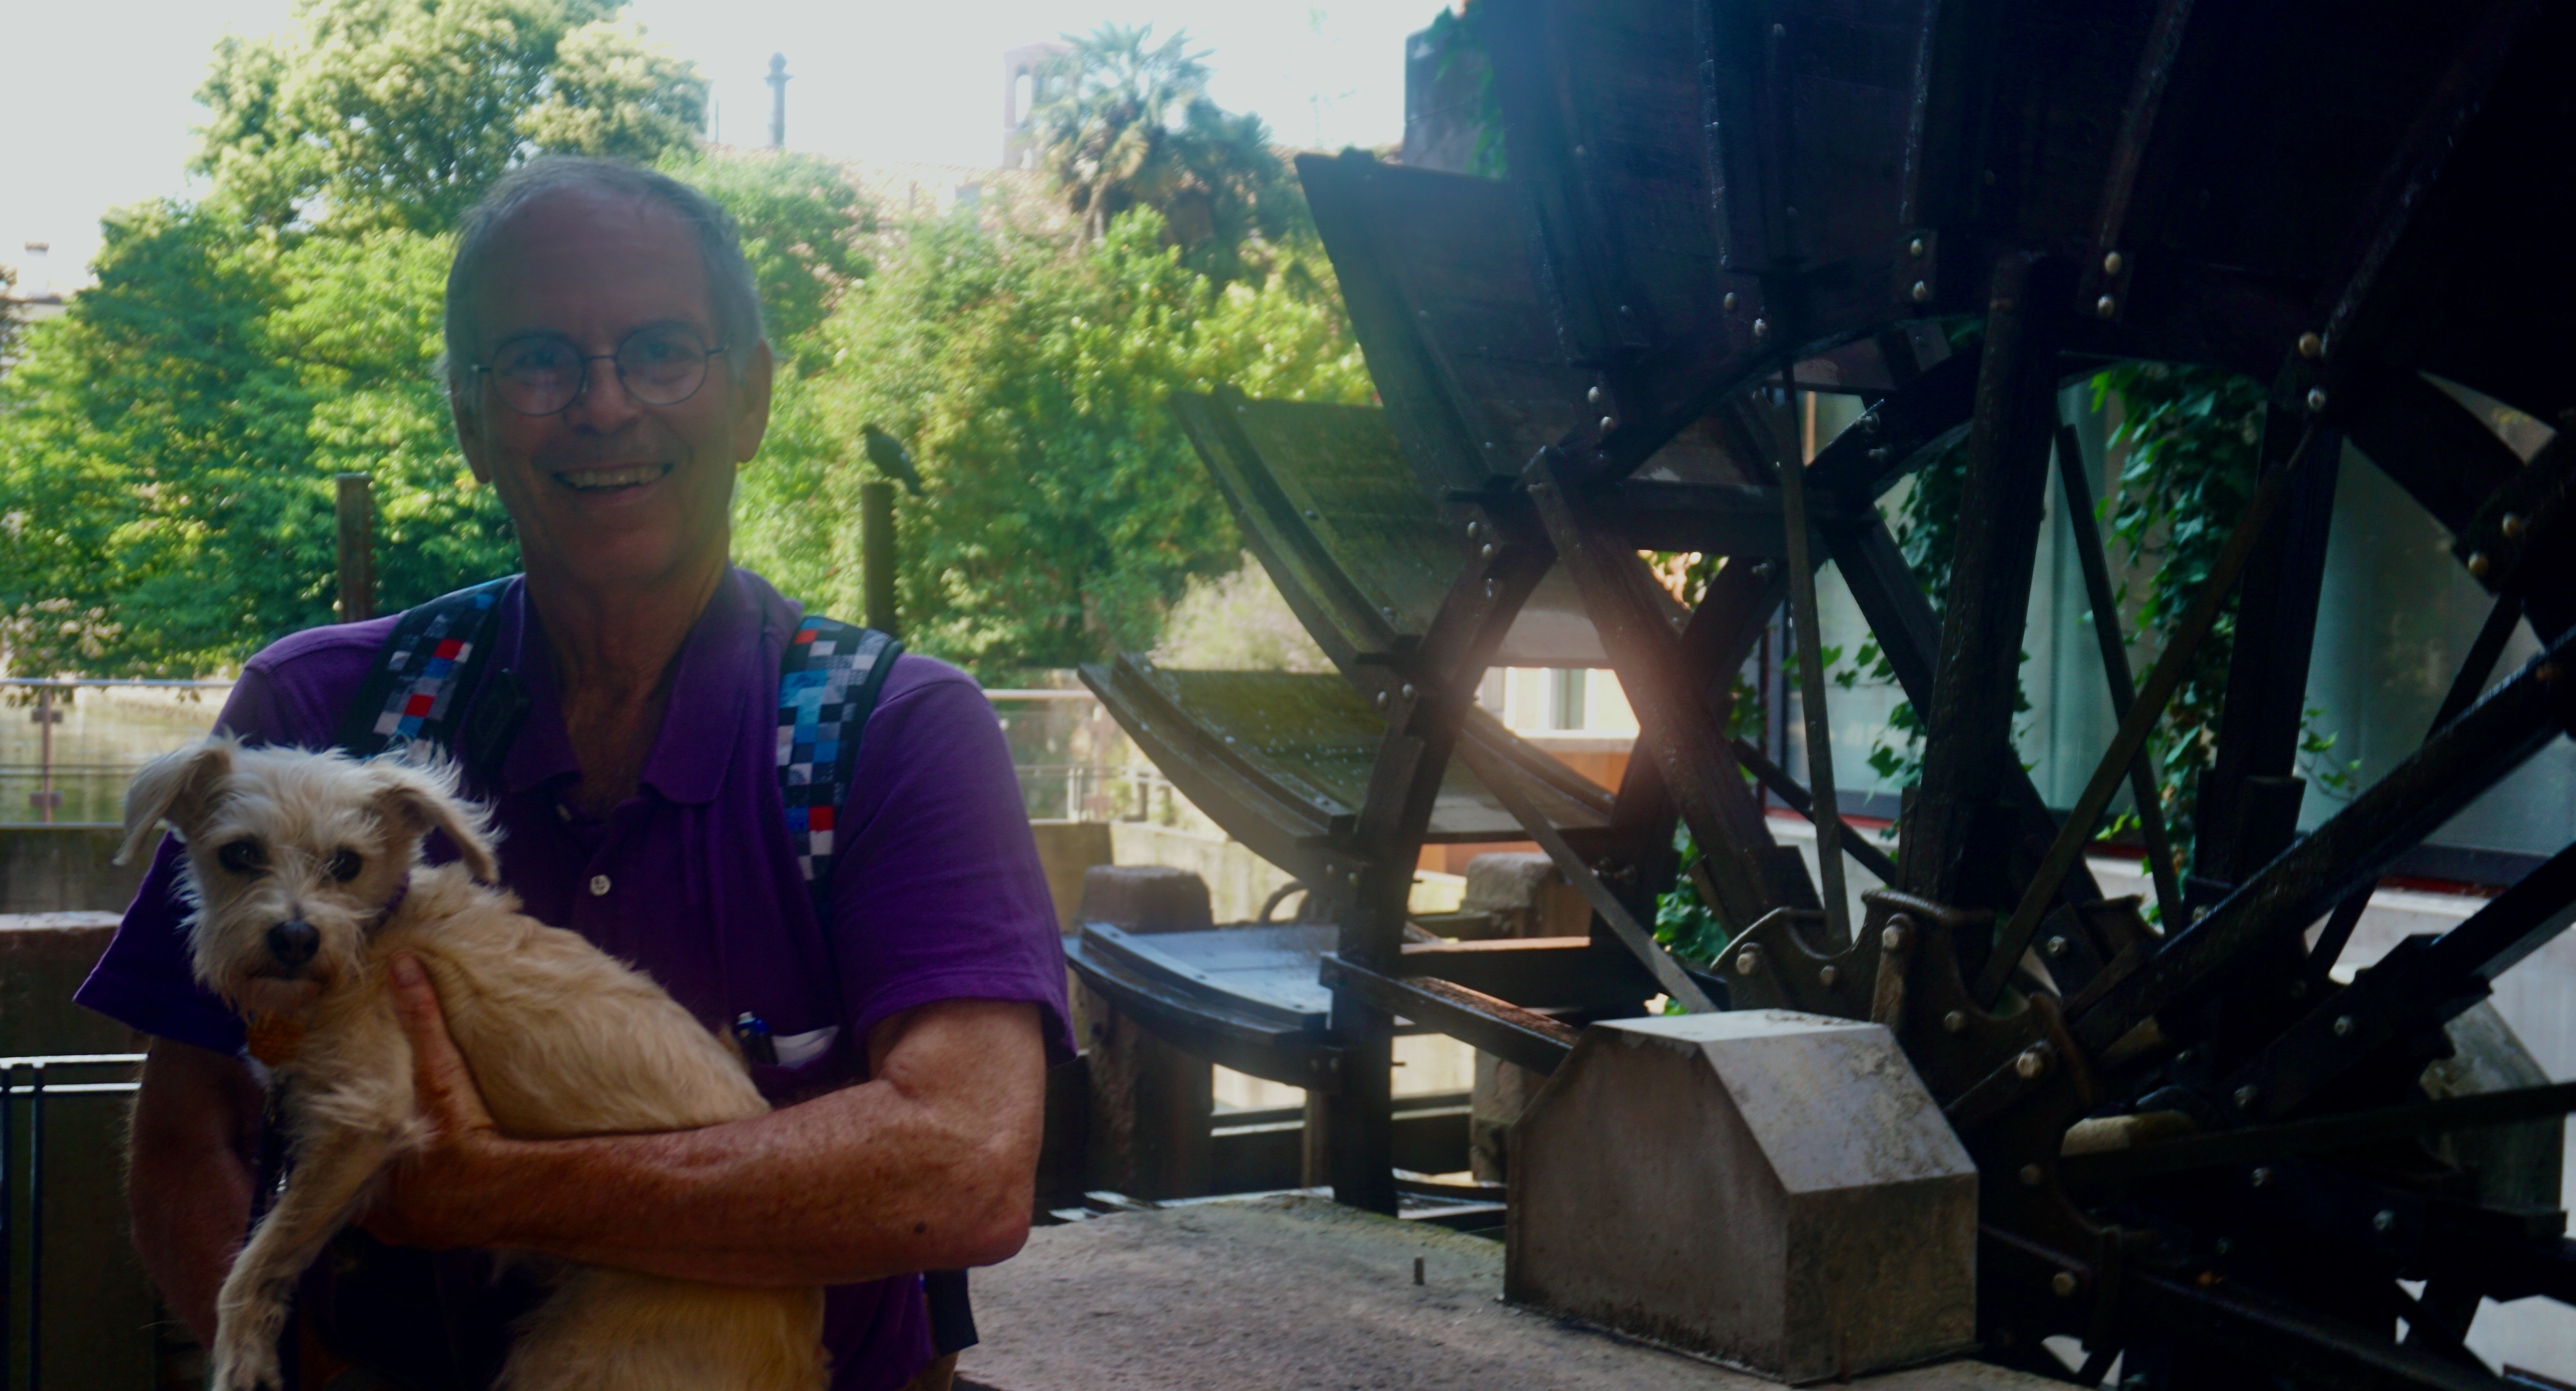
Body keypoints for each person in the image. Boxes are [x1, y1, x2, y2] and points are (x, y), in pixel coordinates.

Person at [78, 156, 1071, 1391]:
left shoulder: (894, 733)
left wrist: (490, 1190)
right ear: (470, 422)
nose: (605, 405)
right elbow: (191, 1137)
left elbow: (966, 1171)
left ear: (752, 399)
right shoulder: (319, 718)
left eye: (663, 351)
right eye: (539, 361)